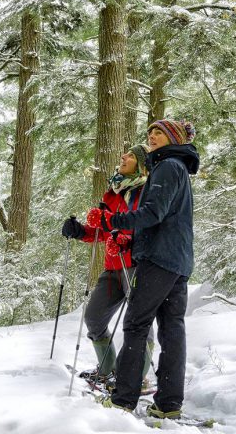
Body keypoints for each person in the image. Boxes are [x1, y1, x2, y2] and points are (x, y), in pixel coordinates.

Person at [88, 119, 199, 419]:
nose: (151, 136)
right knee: (172, 328)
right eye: (150, 132)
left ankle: (123, 399)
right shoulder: (179, 169)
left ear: (173, 138)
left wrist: (113, 222)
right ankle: (169, 404)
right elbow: (166, 216)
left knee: (136, 324)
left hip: (159, 258)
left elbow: (152, 213)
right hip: (179, 260)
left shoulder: (167, 166)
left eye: (159, 132)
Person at [61, 144, 155, 388]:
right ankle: (108, 370)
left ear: (142, 164)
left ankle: (136, 378)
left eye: (131, 155)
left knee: (137, 323)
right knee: (94, 317)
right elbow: (105, 230)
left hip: (136, 264)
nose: (123, 157)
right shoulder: (112, 193)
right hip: (113, 266)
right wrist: (81, 230)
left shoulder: (147, 190)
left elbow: (148, 224)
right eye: (124, 153)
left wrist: (126, 238)